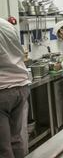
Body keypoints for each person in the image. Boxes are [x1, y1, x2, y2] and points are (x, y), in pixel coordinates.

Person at [0, 18, 30, 158]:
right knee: (15, 139)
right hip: (20, 86)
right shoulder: (6, 24)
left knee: (3, 147)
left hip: (3, 90)